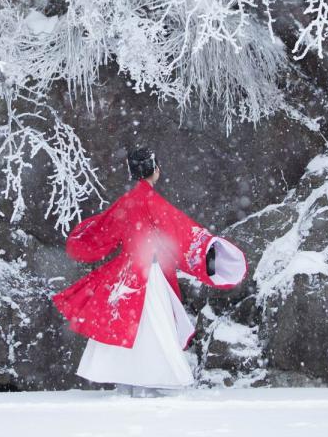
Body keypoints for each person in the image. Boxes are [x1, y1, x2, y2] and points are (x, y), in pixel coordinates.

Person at [51, 146, 248, 397]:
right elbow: (182, 232)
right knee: (153, 324)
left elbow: (102, 231)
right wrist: (208, 249)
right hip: (150, 270)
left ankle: (125, 379)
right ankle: (150, 379)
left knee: (125, 323)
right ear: (154, 170)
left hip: (125, 272)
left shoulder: (126, 202)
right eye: (156, 167)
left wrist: (82, 238)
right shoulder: (153, 202)